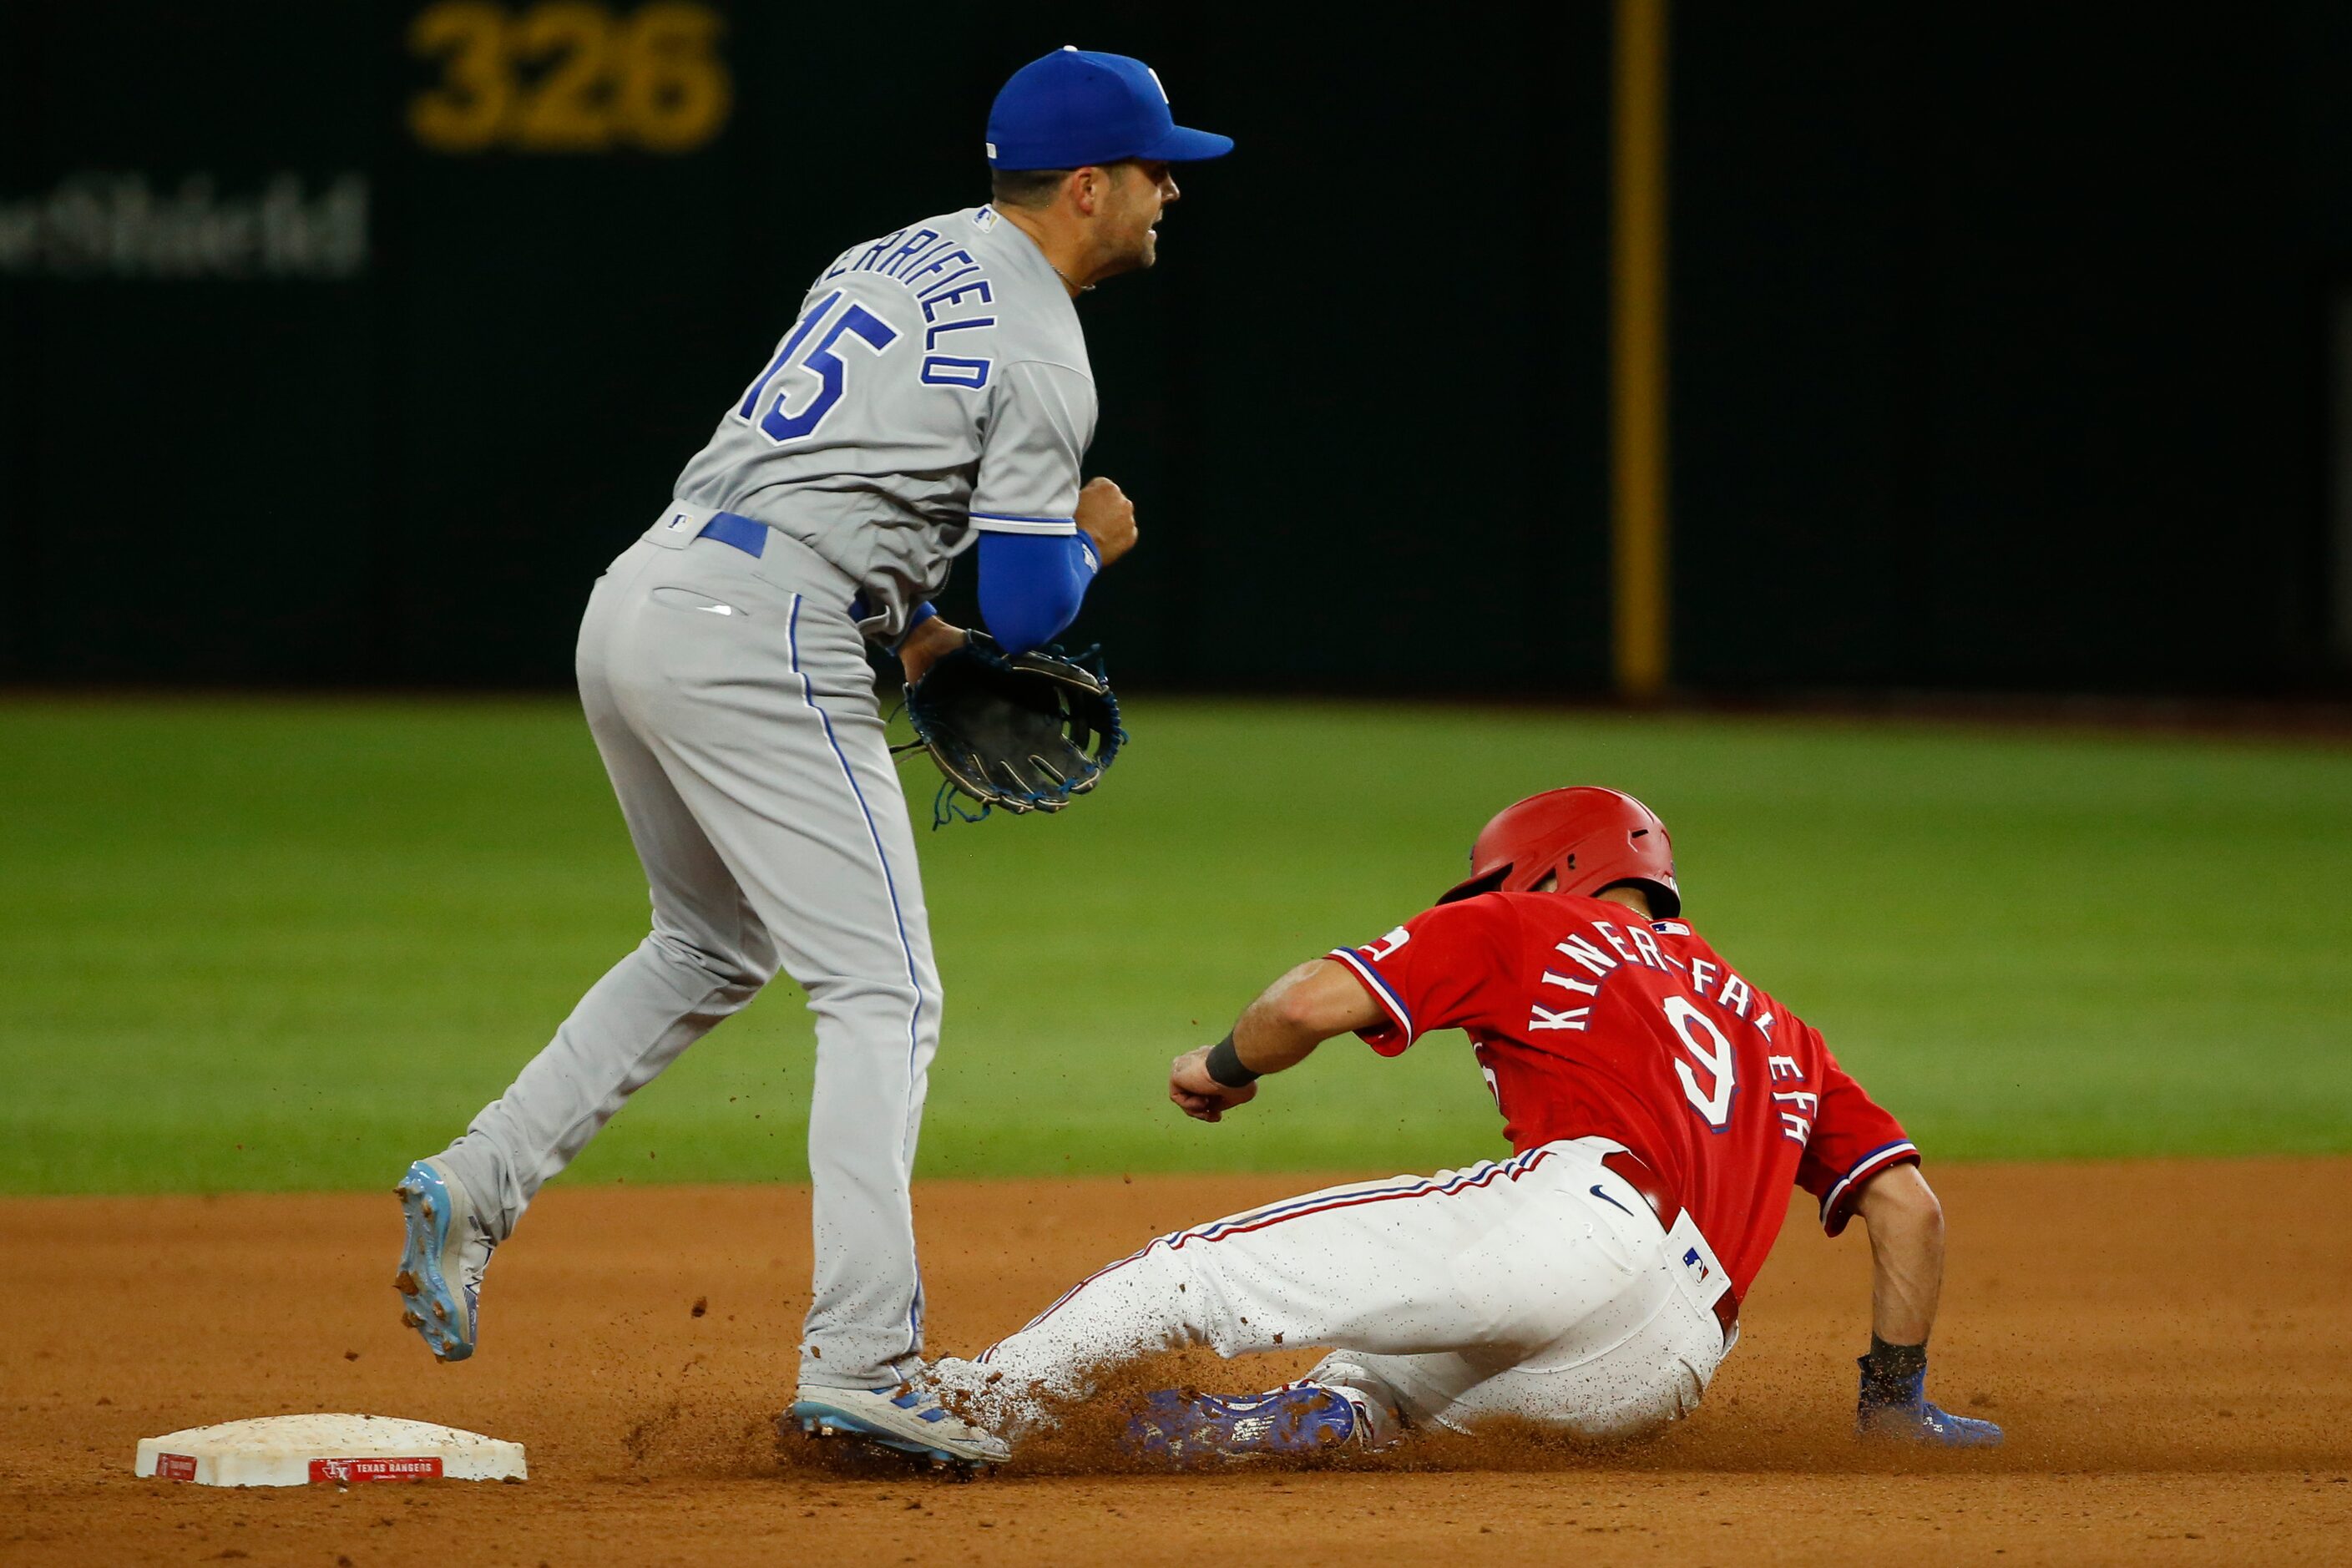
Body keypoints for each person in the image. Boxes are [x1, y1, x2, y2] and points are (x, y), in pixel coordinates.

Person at [390, 46, 1232, 1470]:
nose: (1170, 193)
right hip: (757, 632)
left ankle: (474, 1182)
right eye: (1156, 171)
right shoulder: (1041, 342)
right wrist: (1091, 538)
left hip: (643, 597)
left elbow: (831, 469)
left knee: (709, 945)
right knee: (884, 989)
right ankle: (865, 1358)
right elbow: (1027, 604)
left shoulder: (890, 257)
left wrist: (907, 640)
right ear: (1086, 187)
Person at [933, 787, 2003, 1460]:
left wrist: (1217, 1067)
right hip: (1664, 1363)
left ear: (1551, 867)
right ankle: (1325, 1415)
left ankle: (965, 1405)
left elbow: (1308, 1003)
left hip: (1585, 1217)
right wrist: (1895, 1406)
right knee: (1375, 1394)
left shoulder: (1526, 920)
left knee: (1194, 1271)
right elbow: (1909, 1209)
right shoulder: (1782, 1030)